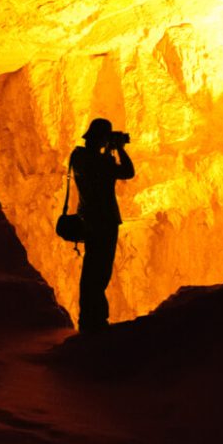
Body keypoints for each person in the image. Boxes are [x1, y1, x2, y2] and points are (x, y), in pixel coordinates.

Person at [70, 118, 135, 334]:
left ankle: (90, 318)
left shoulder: (79, 157)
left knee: (94, 269)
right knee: (98, 271)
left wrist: (110, 150)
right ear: (101, 138)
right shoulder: (94, 160)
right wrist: (118, 150)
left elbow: (110, 170)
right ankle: (93, 320)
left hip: (91, 219)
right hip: (103, 221)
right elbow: (127, 171)